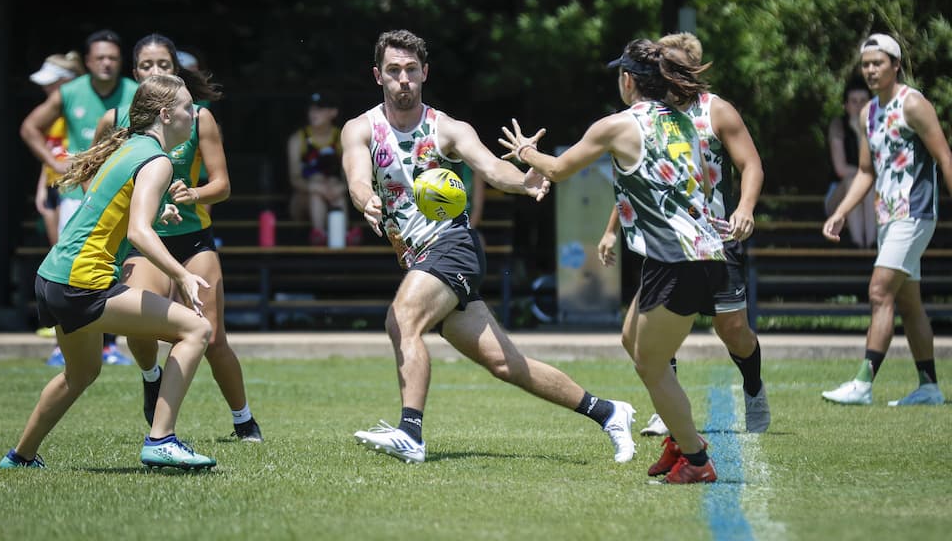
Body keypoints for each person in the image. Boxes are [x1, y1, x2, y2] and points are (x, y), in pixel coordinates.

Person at [343, 29, 635, 465]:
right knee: (507, 365)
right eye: (392, 71)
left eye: (410, 70)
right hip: (418, 260)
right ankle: (609, 412)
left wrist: (524, 180)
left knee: (401, 317)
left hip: (453, 247)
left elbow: (492, 168)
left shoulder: (448, 129)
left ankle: (410, 433)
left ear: (424, 73)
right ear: (377, 76)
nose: (402, 79)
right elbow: (356, 177)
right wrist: (365, 199)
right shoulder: (361, 128)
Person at [501, 38, 725, 484]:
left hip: (680, 260)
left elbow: (561, 170)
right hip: (693, 255)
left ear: (627, 80)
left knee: (651, 364)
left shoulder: (618, 125)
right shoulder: (684, 119)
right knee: (631, 339)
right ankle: (681, 441)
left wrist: (525, 152)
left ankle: (696, 459)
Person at [0, 74, 217, 470]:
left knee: (80, 373)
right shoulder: (158, 160)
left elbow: (113, 205)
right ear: (166, 115)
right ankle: (161, 439)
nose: (195, 115)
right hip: (84, 283)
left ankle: (20, 457)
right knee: (197, 330)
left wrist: (158, 208)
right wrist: (181, 274)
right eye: (188, 108)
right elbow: (138, 232)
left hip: (52, 278)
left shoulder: (131, 146)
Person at [597, 32, 770, 437]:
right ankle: (668, 409)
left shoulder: (716, 111)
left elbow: (752, 165)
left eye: (668, 63)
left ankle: (754, 387)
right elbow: (637, 183)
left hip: (715, 238)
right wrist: (610, 231)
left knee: (733, 331)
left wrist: (744, 208)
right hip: (667, 240)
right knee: (655, 327)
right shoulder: (645, 116)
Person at [92, 33, 263, 442]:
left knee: (213, 335)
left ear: (177, 71)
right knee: (139, 328)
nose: (155, 72)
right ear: (135, 74)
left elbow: (222, 185)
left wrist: (194, 193)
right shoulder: (115, 121)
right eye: (147, 66)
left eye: (164, 65)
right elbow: (95, 182)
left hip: (193, 240)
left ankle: (244, 420)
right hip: (141, 242)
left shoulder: (197, 117)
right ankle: (152, 377)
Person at [822, 33, 952, 406]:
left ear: (895, 65)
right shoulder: (868, 113)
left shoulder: (913, 104)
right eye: (865, 64)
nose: (871, 70)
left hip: (915, 212)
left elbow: (944, 156)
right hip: (887, 216)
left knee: (880, 291)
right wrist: (841, 212)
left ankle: (863, 383)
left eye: (878, 63)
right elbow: (865, 171)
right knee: (909, 303)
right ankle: (929, 386)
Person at [20, 30, 138, 367]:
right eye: (100, 57)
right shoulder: (70, 92)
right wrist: (54, 162)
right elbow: (30, 127)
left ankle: (108, 345)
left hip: (119, 195)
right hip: (76, 195)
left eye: (113, 58)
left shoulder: (134, 93)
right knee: (69, 271)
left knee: (113, 266)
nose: (106, 63)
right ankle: (63, 345)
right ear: (87, 62)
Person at [28, 52, 86, 247]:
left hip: (71, 186)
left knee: (69, 249)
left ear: (67, 81)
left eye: (51, 82)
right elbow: (50, 150)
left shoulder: (76, 110)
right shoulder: (49, 113)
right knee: (56, 251)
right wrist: (41, 187)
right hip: (52, 184)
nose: (45, 87)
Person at [288, 90, 361, 246]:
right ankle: (318, 234)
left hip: (333, 196)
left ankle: (342, 234)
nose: (314, 113)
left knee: (337, 189)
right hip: (303, 200)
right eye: (312, 108)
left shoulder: (341, 137)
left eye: (320, 109)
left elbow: (348, 174)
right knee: (316, 187)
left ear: (333, 112)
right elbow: (294, 179)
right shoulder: (298, 139)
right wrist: (316, 187)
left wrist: (342, 187)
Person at [825, 76, 875, 248]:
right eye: (854, 101)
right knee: (854, 181)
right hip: (838, 196)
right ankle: (858, 245)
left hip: (871, 192)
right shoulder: (837, 126)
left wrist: (861, 131)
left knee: (867, 184)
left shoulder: (879, 126)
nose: (859, 106)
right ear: (846, 105)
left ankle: (869, 244)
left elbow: (874, 167)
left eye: (863, 101)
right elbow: (841, 169)